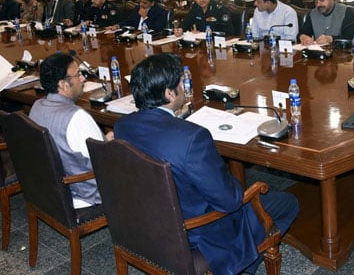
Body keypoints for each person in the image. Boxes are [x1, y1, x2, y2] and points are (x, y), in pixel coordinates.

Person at [114, 53, 299, 274]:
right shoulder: (192, 138)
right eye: (181, 83)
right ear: (168, 93)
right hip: (194, 231)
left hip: (146, 221)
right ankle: (243, 265)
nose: (184, 86)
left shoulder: (122, 126)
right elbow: (229, 201)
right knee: (287, 202)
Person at [28, 52, 110, 208]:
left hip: (50, 189)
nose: (83, 78)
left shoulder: (36, 106)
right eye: (78, 74)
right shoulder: (77, 117)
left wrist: (105, 140)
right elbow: (103, 160)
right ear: (63, 84)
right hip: (83, 195)